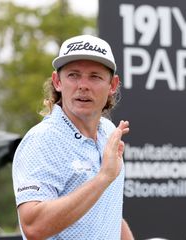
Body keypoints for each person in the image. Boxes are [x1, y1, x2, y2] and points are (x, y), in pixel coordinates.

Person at [12, 34, 134, 240]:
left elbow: (106, 212)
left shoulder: (108, 130)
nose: (83, 85)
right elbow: (33, 226)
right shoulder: (42, 140)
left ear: (112, 85)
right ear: (57, 81)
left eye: (95, 76)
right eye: (73, 75)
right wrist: (103, 177)